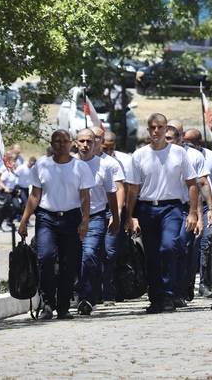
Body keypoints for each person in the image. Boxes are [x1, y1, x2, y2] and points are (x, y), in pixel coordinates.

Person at [125, 113, 201, 314]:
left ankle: (168, 294)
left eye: (160, 127)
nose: (156, 131)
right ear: (148, 130)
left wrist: (193, 212)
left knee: (168, 247)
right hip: (147, 207)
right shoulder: (139, 155)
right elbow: (133, 189)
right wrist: (130, 216)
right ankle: (156, 297)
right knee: (151, 254)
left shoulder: (179, 153)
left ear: (166, 128)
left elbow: (192, 184)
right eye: (152, 127)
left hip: (172, 208)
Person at [18, 130, 95, 320]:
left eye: (65, 141)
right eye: (57, 141)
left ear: (71, 144)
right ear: (52, 143)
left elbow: (85, 197)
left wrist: (85, 220)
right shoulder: (42, 165)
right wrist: (24, 219)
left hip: (71, 218)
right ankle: (47, 303)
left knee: (69, 264)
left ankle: (63, 306)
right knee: (46, 257)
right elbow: (35, 195)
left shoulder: (80, 167)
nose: (61, 144)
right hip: (47, 218)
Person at [164, 124, 212, 305]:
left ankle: (183, 289)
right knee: (168, 248)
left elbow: (200, 185)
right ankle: (169, 290)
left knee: (184, 248)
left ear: (179, 139)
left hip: (186, 208)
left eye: (170, 138)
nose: (166, 141)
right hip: (164, 209)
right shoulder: (157, 155)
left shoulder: (193, 156)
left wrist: (206, 212)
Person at [74, 129, 121, 315]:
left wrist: (116, 218)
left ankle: (85, 297)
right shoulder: (69, 164)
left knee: (90, 254)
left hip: (96, 217)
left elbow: (111, 194)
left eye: (89, 141)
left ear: (96, 143)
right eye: (82, 141)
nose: (85, 145)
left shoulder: (104, 166)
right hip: (72, 218)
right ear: (76, 143)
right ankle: (74, 293)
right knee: (72, 258)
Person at [184, 128, 212, 299]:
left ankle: (205, 283)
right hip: (187, 205)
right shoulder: (182, 155)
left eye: (190, 142)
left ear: (199, 142)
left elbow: (210, 183)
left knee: (206, 245)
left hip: (208, 205)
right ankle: (187, 284)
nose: (187, 144)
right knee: (189, 247)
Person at [100, 130, 132, 305]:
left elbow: (127, 189)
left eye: (111, 148)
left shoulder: (123, 161)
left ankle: (110, 290)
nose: (108, 150)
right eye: (105, 147)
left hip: (117, 210)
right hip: (96, 209)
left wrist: (126, 215)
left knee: (112, 251)